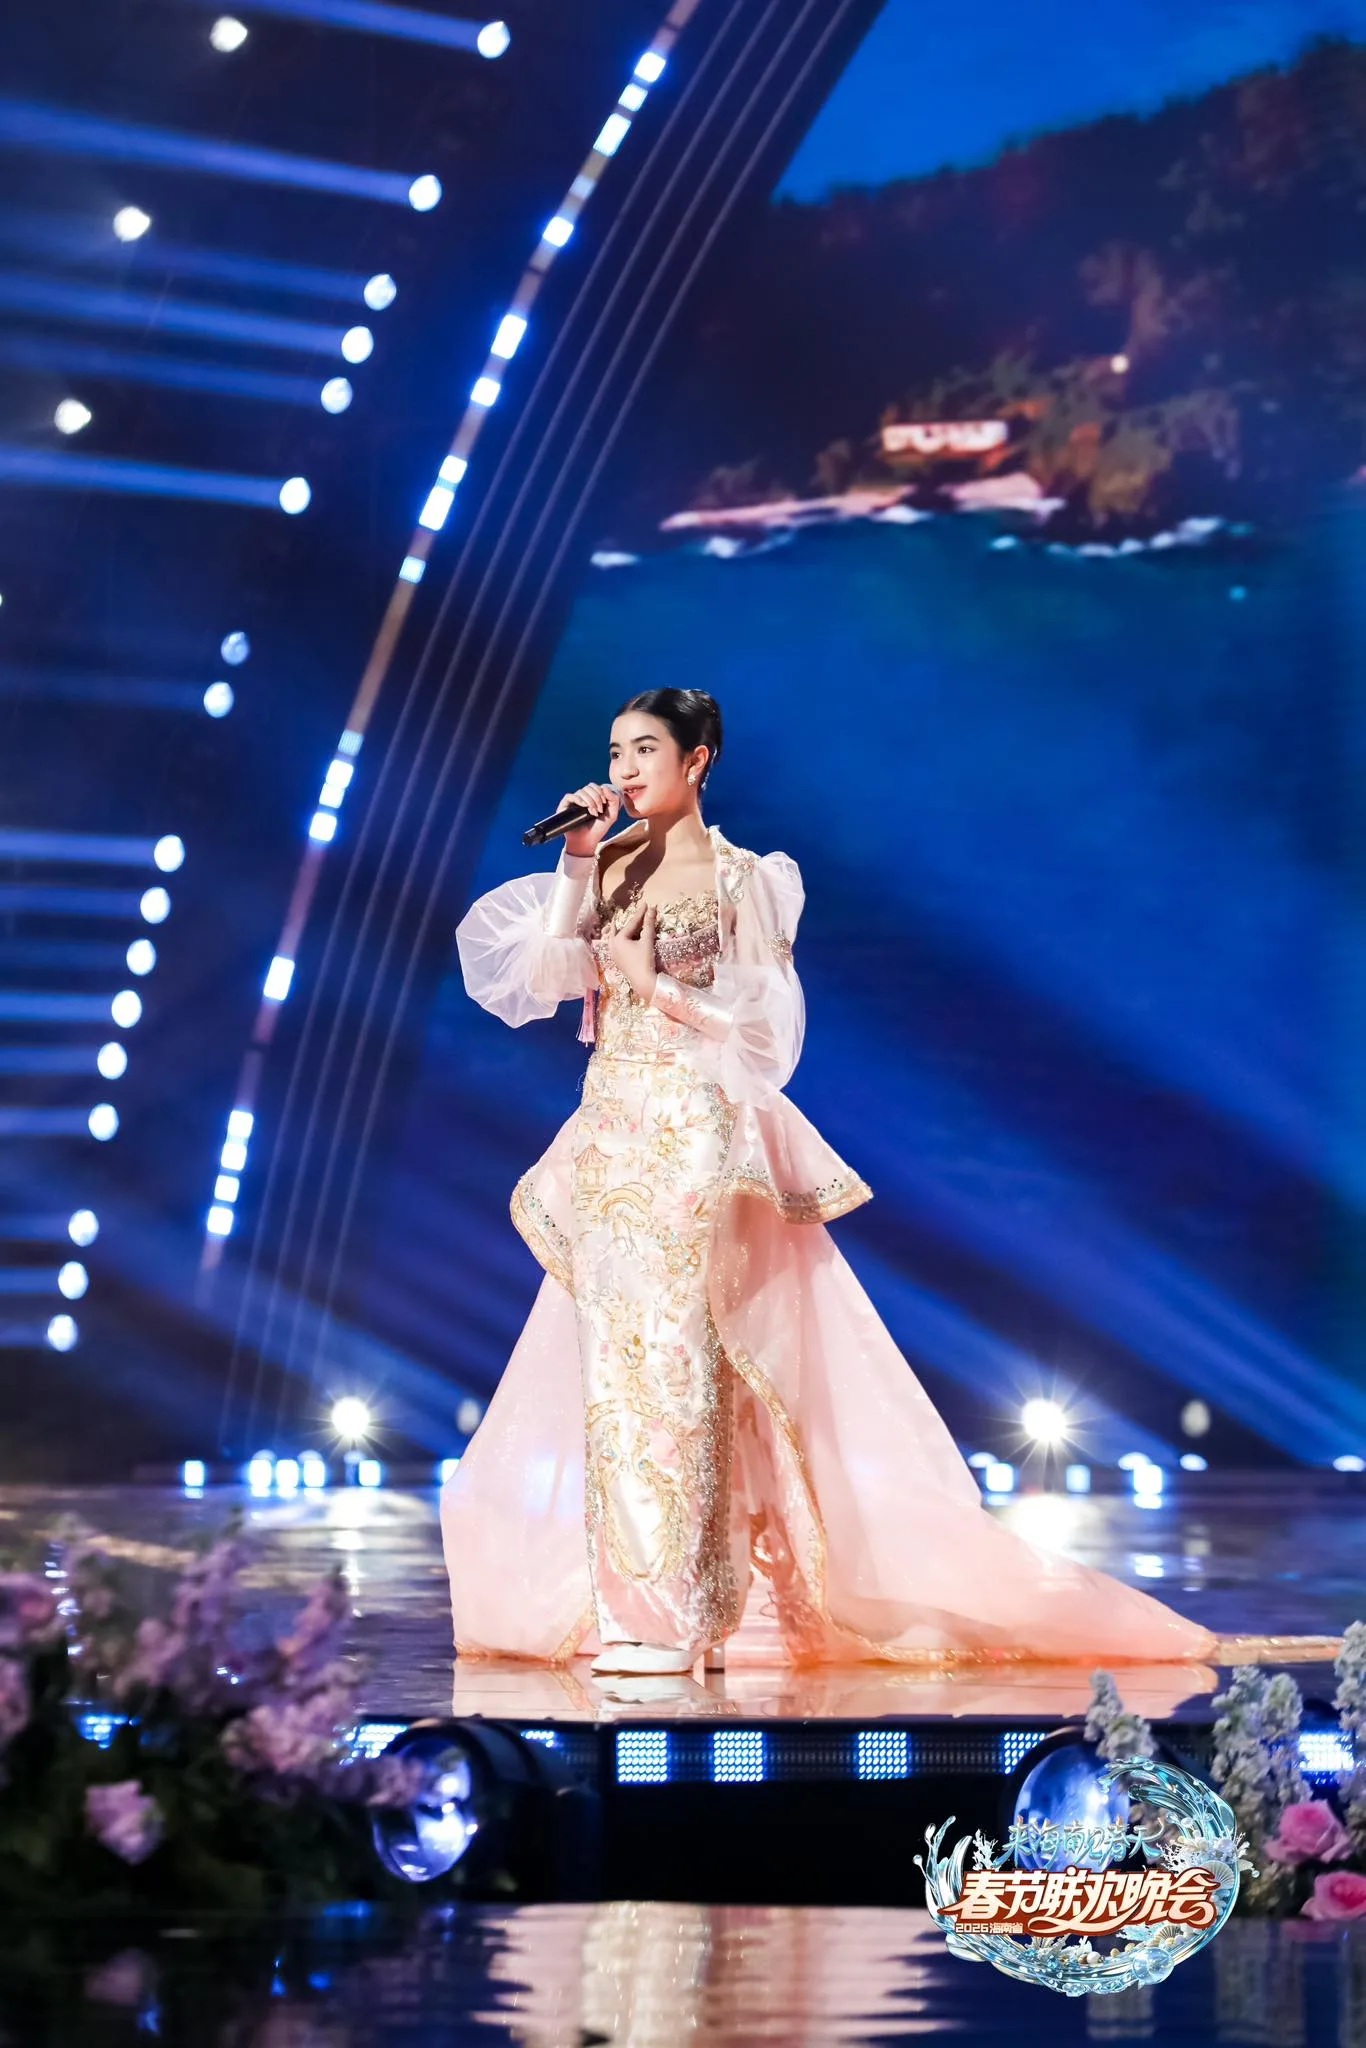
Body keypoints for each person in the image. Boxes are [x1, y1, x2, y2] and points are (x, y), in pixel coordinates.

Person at [440, 688, 1222, 1678]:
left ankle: (672, 1618)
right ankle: (654, 1607)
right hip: (610, 1142)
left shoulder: (747, 878)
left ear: (697, 759)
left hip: (693, 1140)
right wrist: (579, 858)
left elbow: (767, 1033)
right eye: (615, 751)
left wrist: (657, 987)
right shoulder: (611, 860)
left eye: (644, 750)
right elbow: (547, 978)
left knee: (680, 1372)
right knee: (617, 1379)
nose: (625, 770)